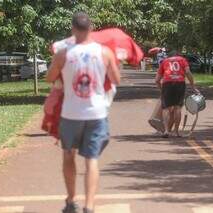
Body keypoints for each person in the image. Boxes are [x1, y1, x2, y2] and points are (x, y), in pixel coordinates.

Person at [46, 12, 120, 213]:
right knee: (92, 160)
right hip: (96, 114)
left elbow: (50, 77)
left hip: (70, 114)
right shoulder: (104, 53)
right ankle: (89, 206)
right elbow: (116, 79)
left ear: (72, 29)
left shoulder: (63, 53)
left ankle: (71, 201)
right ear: (91, 28)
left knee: (68, 155)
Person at [155, 50, 198, 137]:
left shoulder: (164, 61)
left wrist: (161, 90)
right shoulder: (182, 60)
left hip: (167, 83)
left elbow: (157, 80)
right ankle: (176, 131)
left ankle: (166, 130)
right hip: (179, 83)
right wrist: (193, 86)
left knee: (166, 108)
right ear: (178, 55)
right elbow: (188, 73)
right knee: (177, 108)